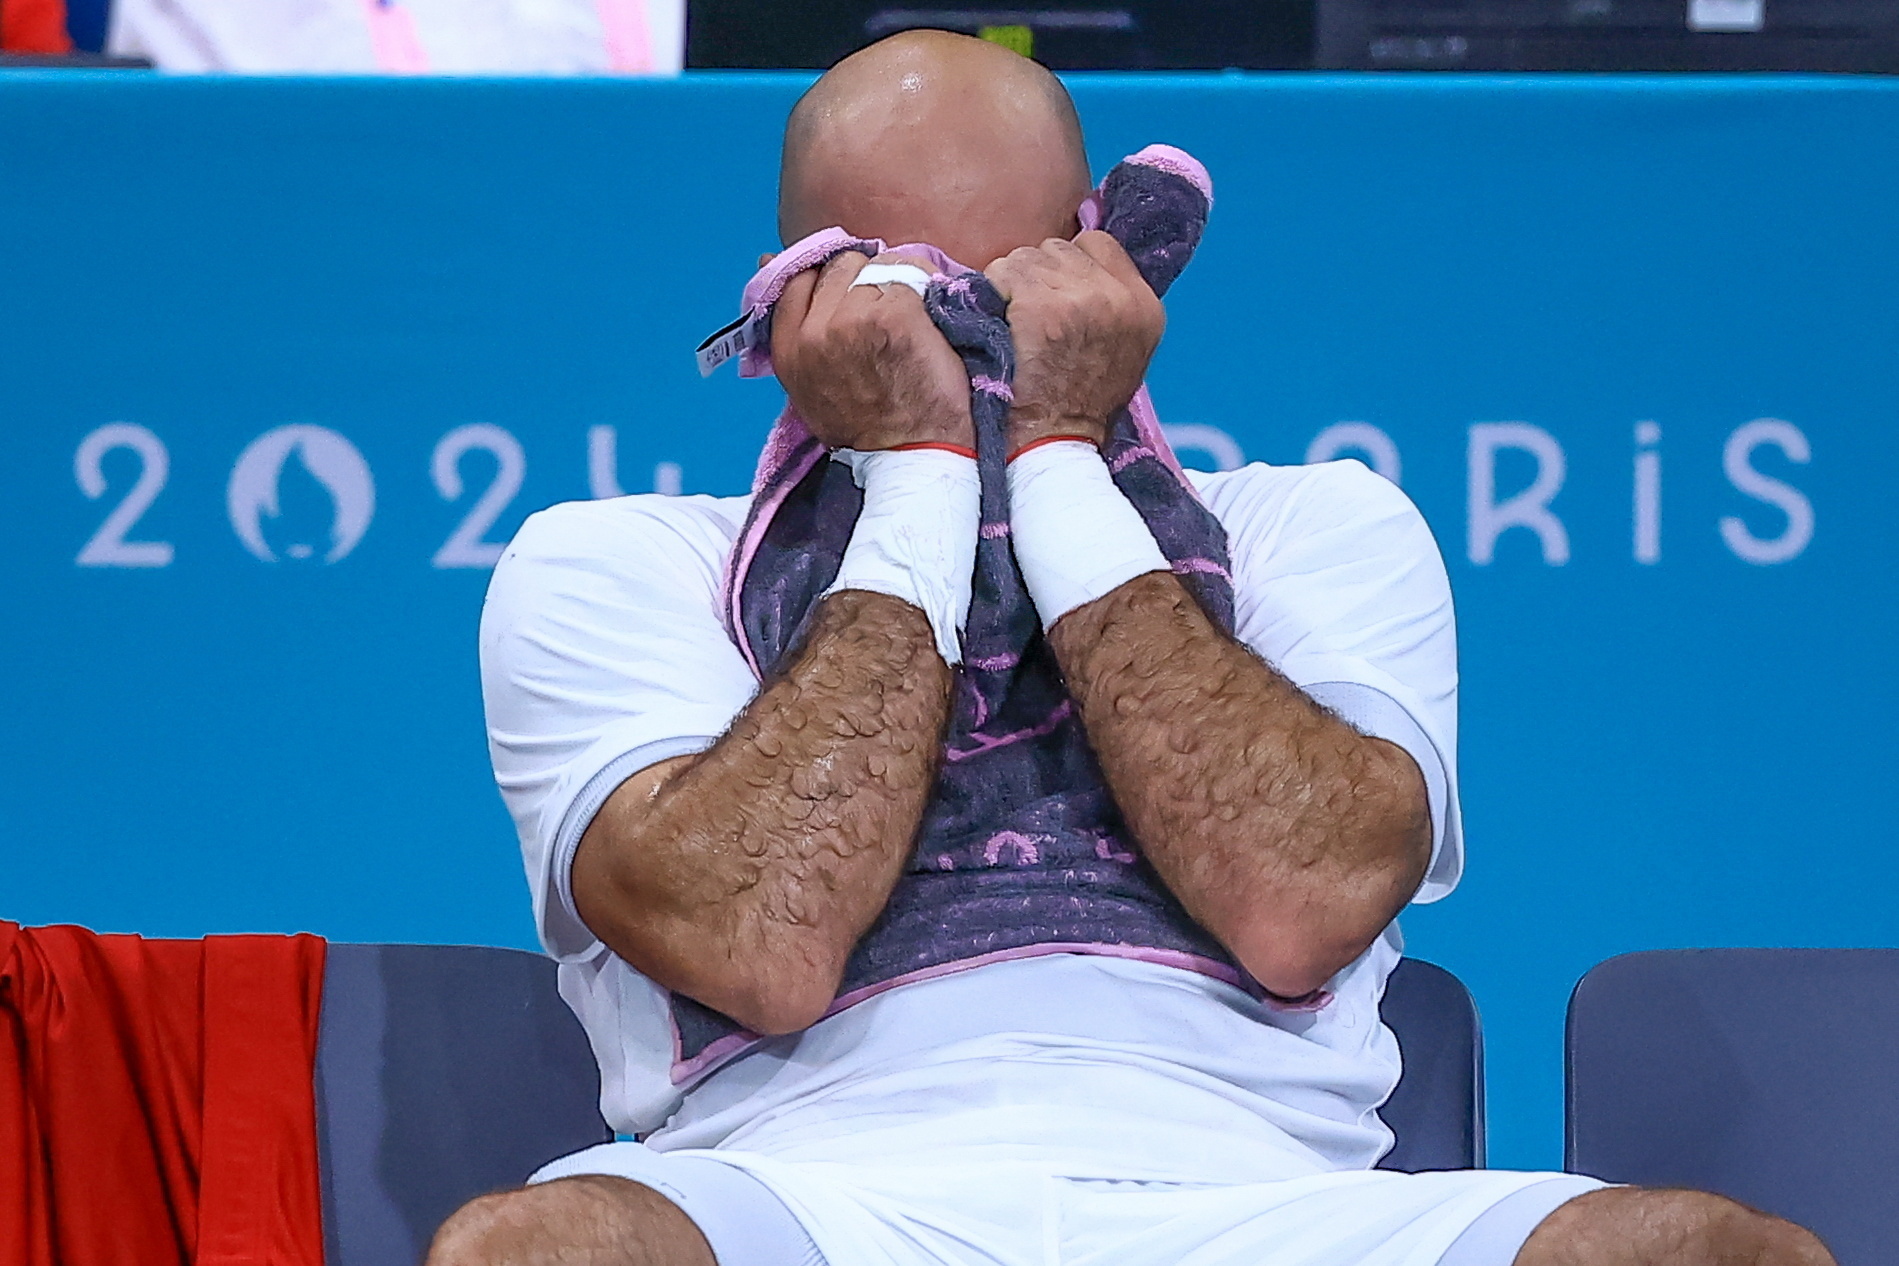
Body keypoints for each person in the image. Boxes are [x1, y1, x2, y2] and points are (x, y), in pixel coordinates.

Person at [447, 29, 1834, 1266]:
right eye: (910, 293)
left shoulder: (1315, 528)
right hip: (810, 1189)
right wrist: (920, 477)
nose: (969, 338)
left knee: (1712, 1253)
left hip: (1269, 1199)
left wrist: (1058, 454)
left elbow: (1300, 904)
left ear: (1108, 268)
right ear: (799, 302)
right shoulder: (617, 564)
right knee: (538, 1249)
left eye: (1014, 288)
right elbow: (762, 944)